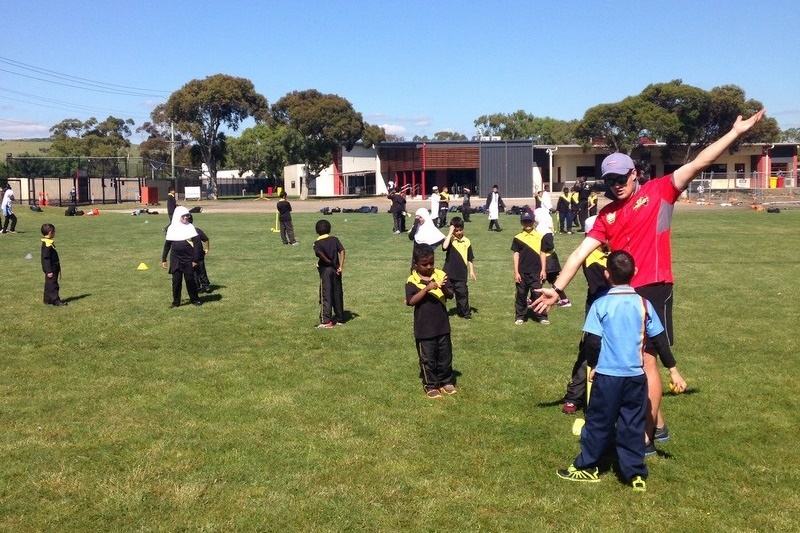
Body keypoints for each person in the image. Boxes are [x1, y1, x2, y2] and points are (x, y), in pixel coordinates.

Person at [534, 110, 765, 448]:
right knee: (632, 362)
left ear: (635, 173)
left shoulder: (660, 191)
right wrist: (557, 289)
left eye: (622, 177)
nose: (617, 184)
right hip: (623, 294)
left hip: (655, 285)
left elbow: (699, 162)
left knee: (645, 361)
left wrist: (734, 133)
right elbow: (579, 253)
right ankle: (657, 426)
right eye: (610, 180)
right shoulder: (606, 215)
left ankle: (644, 438)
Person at [556, 250, 685, 491]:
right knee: (632, 423)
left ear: (606, 274)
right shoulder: (644, 304)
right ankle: (635, 474)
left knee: (598, 422)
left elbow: (592, 342)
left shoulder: (600, 304)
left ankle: (587, 468)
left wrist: (593, 368)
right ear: (635, 273)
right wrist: (673, 370)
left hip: (607, 377)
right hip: (636, 377)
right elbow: (659, 341)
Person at [561, 216, 609, 414]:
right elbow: (601, 284)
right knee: (589, 350)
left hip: (619, 305)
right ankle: (575, 396)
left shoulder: (610, 253)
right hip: (598, 307)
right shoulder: (590, 257)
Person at [406, 243, 457, 398]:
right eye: (424, 264)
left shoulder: (440, 274)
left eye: (431, 263)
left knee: (445, 356)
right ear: (416, 264)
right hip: (424, 328)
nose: (429, 267)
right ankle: (431, 385)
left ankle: (446, 381)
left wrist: (442, 288)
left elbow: (450, 295)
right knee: (428, 359)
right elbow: (411, 301)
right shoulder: (412, 280)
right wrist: (427, 289)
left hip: (442, 325)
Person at [512, 208, 549, 325]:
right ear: (521, 223)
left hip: (536, 271)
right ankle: (520, 316)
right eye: (525, 222)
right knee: (521, 295)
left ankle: (541, 316)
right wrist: (516, 272)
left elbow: (543, 253)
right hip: (522, 272)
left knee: (537, 294)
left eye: (529, 221)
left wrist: (543, 270)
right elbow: (516, 255)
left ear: (533, 222)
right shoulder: (517, 238)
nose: (527, 224)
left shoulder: (540, 236)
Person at [162, 206, 203, 307]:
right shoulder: (172, 228)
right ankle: (176, 302)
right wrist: (164, 259)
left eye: (187, 215)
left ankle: (194, 299)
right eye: (184, 216)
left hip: (189, 258)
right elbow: (167, 244)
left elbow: (197, 245)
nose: (186, 217)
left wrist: (195, 259)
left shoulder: (190, 227)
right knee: (176, 281)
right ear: (178, 216)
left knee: (190, 280)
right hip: (175, 258)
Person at [535, 204, 570, 308]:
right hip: (548, 258)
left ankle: (533, 298)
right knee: (553, 280)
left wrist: (539, 249)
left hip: (548, 259)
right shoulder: (541, 228)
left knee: (540, 278)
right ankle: (564, 300)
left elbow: (549, 245)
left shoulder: (545, 230)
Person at [313, 219, 346, 328]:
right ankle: (340, 317)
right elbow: (342, 251)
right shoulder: (334, 239)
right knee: (337, 293)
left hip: (326, 271)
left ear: (317, 231)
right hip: (336, 271)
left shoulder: (317, 243)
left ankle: (326, 321)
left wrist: (330, 263)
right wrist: (340, 266)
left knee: (325, 294)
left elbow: (322, 257)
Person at [442, 217, 476, 319]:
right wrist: (449, 233)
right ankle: (440, 312)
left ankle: (465, 314)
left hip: (461, 274)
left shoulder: (467, 241)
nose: (459, 232)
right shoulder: (450, 239)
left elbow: (470, 258)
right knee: (445, 293)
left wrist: (472, 271)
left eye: (460, 230)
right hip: (448, 272)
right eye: (456, 231)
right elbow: (444, 247)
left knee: (462, 295)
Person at [40, 223, 67, 306]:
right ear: (50, 232)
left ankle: (47, 299)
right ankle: (55, 300)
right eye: (54, 232)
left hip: (53, 267)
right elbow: (46, 258)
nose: (55, 233)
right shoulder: (47, 244)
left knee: (49, 284)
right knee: (53, 285)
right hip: (51, 268)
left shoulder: (48, 242)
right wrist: (49, 271)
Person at [187, 214, 212, 293]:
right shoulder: (182, 232)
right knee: (194, 272)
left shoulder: (196, 230)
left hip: (199, 254)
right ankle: (197, 287)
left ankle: (205, 285)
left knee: (201, 270)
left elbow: (206, 239)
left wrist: (207, 249)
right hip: (190, 255)